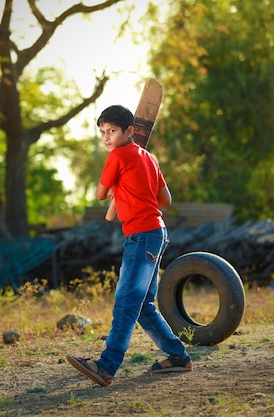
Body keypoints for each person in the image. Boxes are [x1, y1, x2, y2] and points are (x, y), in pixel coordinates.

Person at [66, 104, 192, 386]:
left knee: (125, 303)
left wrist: (114, 186)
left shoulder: (117, 156)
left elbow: (99, 194)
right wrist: (128, 187)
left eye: (112, 131)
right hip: (157, 232)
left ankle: (106, 366)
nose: (107, 138)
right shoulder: (149, 157)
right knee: (143, 304)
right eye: (102, 132)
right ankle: (178, 356)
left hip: (141, 235)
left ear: (130, 131)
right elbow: (165, 199)